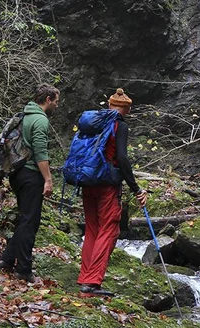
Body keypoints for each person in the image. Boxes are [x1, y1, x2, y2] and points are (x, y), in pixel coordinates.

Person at [78, 88, 147, 296]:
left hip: (87, 181)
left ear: (109, 105)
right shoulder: (119, 125)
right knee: (109, 230)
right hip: (107, 185)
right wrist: (136, 188)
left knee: (92, 229)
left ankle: (84, 277)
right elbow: (123, 158)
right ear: (127, 110)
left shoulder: (93, 123)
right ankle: (92, 282)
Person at [0, 83, 60, 282]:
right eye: (56, 102)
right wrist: (48, 180)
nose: (57, 106)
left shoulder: (25, 114)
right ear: (48, 100)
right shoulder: (40, 120)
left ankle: (7, 260)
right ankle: (23, 270)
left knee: (26, 219)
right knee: (29, 222)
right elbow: (41, 151)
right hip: (31, 175)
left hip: (16, 173)